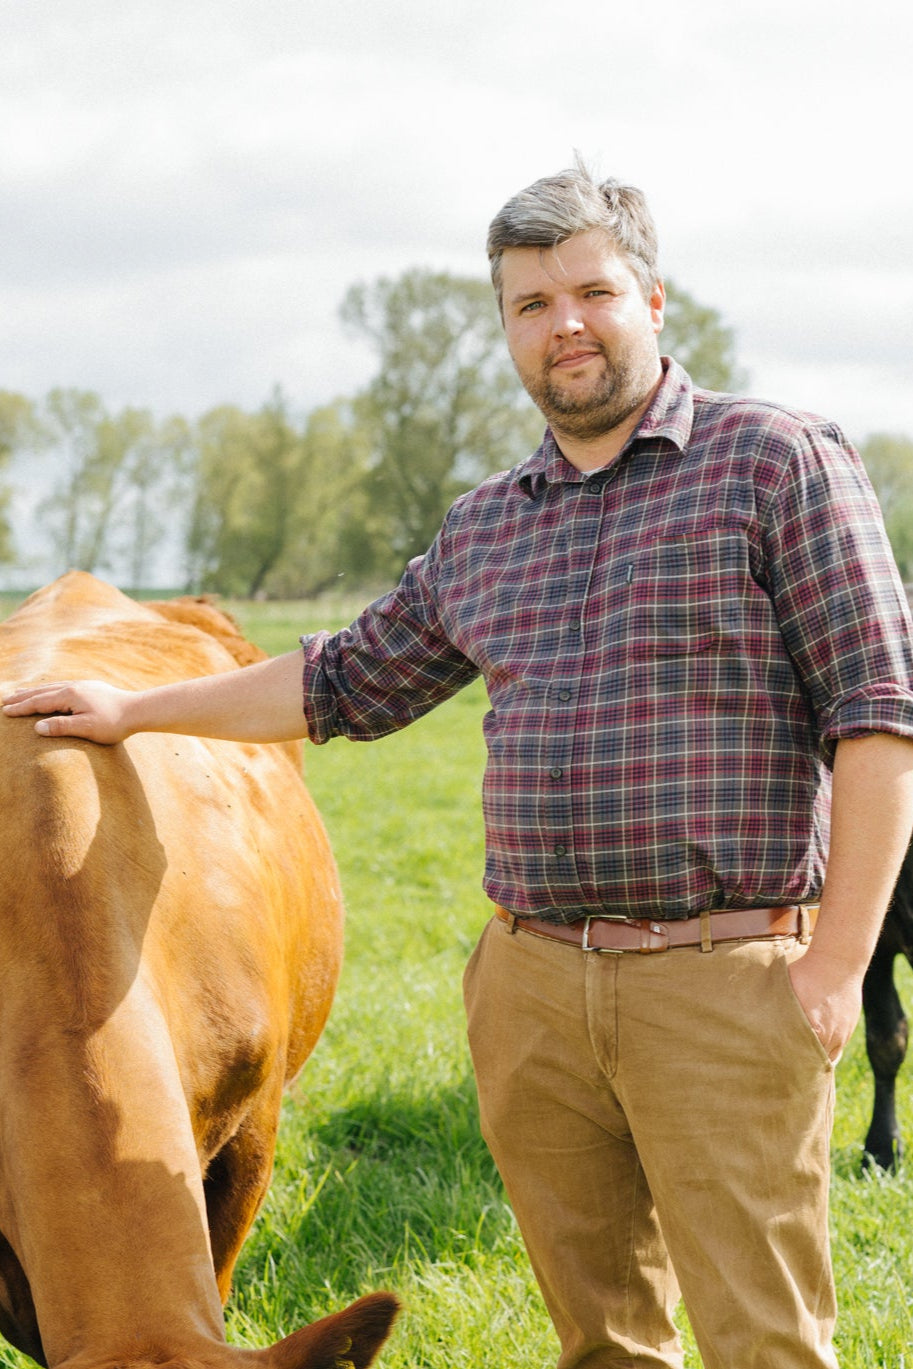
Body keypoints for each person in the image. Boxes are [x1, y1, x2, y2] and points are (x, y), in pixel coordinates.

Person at [5, 164, 913, 1369]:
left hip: (719, 974)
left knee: (762, 1336)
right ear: (507, 330)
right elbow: (344, 680)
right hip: (532, 987)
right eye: (530, 305)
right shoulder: (491, 522)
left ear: (651, 296)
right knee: (602, 1339)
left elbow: (878, 716)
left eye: (590, 292)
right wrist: (137, 706)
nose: (565, 326)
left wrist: (838, 964)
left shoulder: (777, 463)